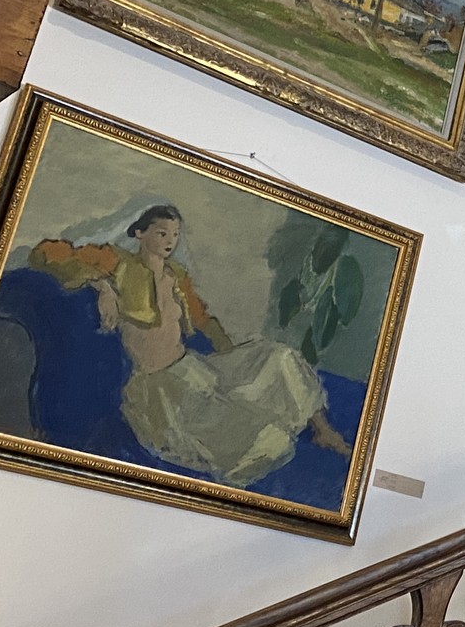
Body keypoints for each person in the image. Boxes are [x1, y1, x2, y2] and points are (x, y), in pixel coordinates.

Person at [29, 205, 351, 486]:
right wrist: (102, 285)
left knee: (280, 358)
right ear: (140, 233)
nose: (170, 241)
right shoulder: (116, 262)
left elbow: (203, 320)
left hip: (195, 368)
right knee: (268, 440)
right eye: (161, 233)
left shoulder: (177, 276)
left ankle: (322, 430)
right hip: (161, 390)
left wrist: (238, 357)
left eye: (174, 234)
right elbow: (45, 253)